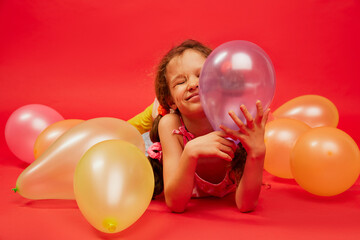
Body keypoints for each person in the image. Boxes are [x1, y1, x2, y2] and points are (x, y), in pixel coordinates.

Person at [147, 39, 270, 213]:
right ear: (170, 101)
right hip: (163, 141)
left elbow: (246, 205)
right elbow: (175, 204)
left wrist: (257, 152)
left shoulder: (236, 124)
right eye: (180, 82)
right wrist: (190, 153)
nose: (193, 84)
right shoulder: (171, 126)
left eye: (203, 76)